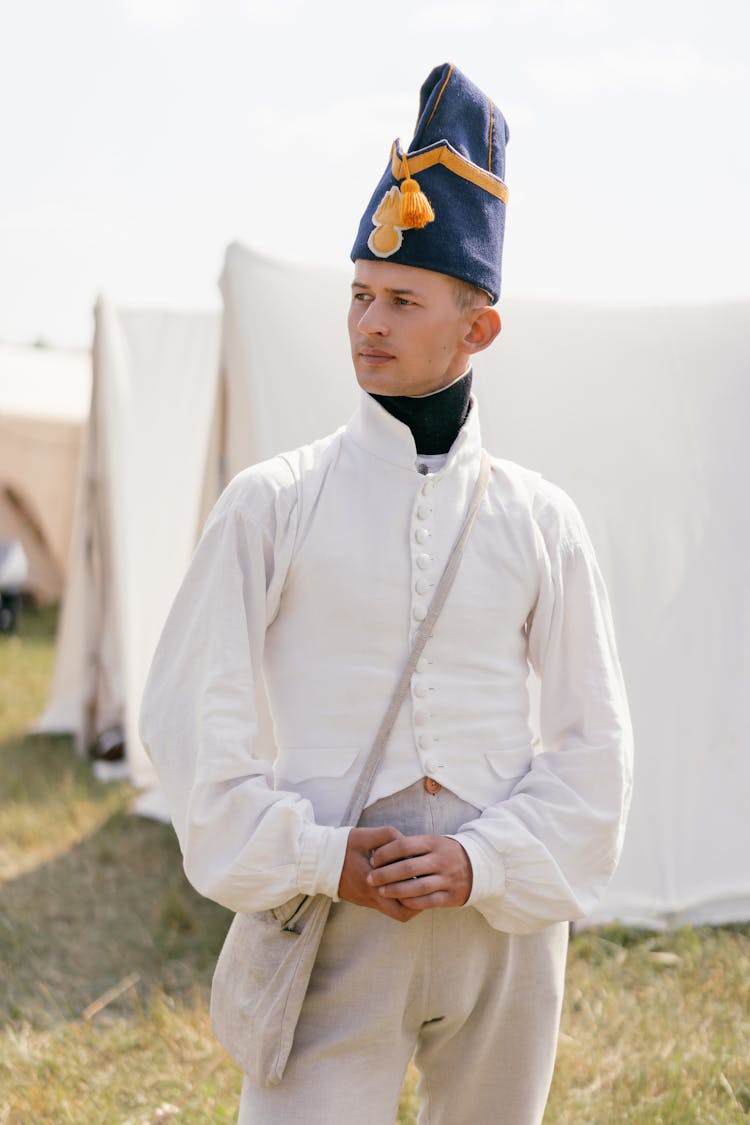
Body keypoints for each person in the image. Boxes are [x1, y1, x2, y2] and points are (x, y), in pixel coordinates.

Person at [140, 62, 633, 1125]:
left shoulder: (542, 521)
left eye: (403, 300)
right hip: (328, 918)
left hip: (501, 932)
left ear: (478, 328)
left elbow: (597, 747)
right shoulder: (271, 504)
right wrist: (322, 858)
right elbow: (192, 723)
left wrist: (480, 860)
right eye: (359, 294)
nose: (368, 321)